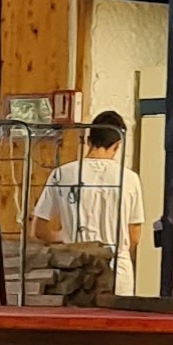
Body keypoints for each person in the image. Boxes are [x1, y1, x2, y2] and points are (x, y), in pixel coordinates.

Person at [29, 109, 151, 299]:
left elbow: (38, 230)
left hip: (75, 270)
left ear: (88, 140)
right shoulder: (130, 179)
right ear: (117, 145)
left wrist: (66, 236)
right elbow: (133, 236)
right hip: (117, 269)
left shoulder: (62, 174)